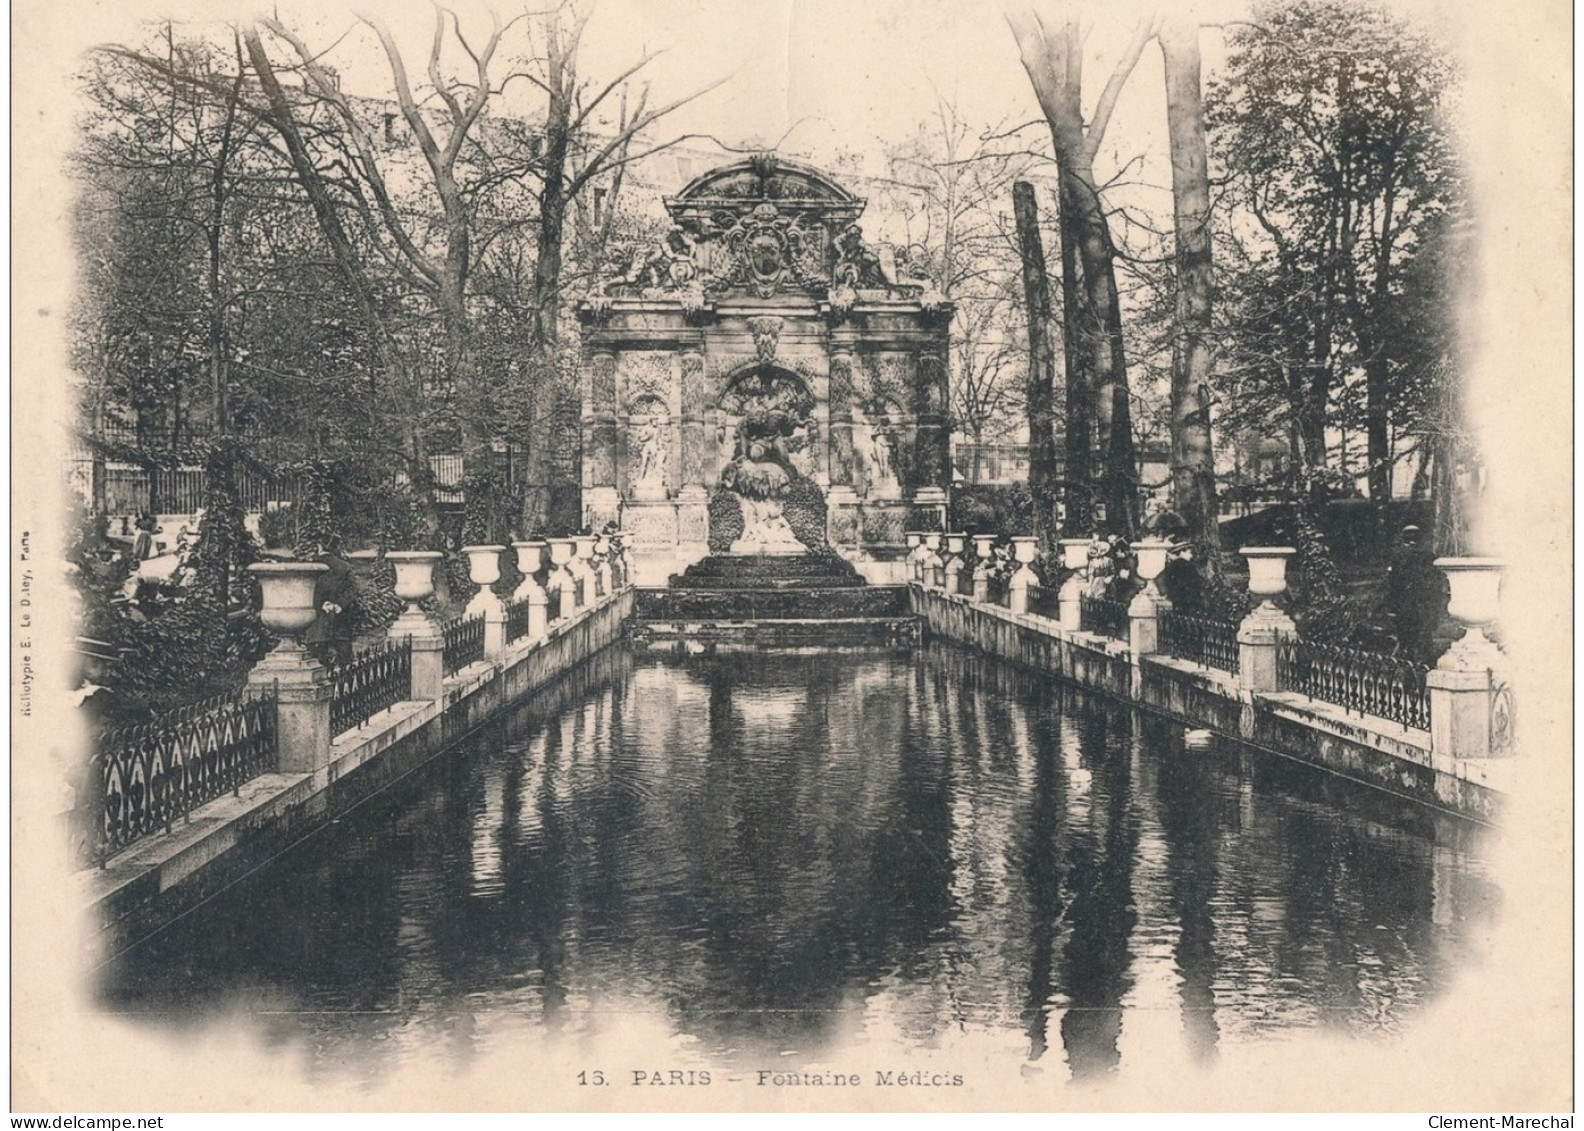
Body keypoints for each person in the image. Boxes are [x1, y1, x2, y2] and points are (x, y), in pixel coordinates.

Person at [1383, 524, 1445, 663]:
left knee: (1413, 635)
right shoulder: (1425, 555)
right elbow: (1393, 583)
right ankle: (1418, 662)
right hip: (1415, 603)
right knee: (1416, 634)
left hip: (1412, 603)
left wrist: (1392, 606)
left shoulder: (1401, 555)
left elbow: (1393, 583)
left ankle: (1414, 662)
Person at [305, 535, 358, 668]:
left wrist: (322, 604)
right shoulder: (344, 566)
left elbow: (307, 589)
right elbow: (353, 590)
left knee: (317, 660)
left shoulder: (311, 566)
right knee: (344, 659)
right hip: (340, 616)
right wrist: (339, 604)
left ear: (319, 546)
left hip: (318, 618)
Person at [1158, 542, 1204, 614]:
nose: (1191, 555)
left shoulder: (1171, 565)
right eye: (1189, 552)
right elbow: (1198, 582)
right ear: (1182, 552)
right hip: (1189, 601)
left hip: (1176, 600)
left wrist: (1169, 594)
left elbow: (1160, 578)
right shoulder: (1188, 566)